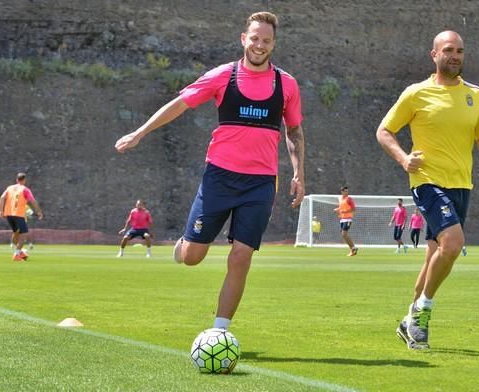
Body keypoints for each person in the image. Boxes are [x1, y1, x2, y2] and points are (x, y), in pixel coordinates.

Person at [115, 11, 305, 333]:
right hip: (219, 178)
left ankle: (219, 331)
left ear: (274, 44)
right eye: (255, 38)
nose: (259, 45)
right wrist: (140, 133)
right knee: (193, 257)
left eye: (266, 41)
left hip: (260, 184)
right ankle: (184, 244)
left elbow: (294, 132)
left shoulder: (286, 84)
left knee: (241, 256)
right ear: (244, 39)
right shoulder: (222, 76)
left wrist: (299, 174)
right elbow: (178, 104)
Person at [376, 30, 479, 349]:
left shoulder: (476, 94)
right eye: (448, 50)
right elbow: (384, 131)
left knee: (435, 252)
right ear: (434, 55)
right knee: (453, 242)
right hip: (427, 182)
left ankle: (409, 320)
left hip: (462, 185)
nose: (455, 55)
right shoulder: (416, 93)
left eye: (460, 50)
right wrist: (405, 159)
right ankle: (422, 314)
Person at [0, 173, 43, 261]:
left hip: (9, 214)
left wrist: (0, 211)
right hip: (18, 214)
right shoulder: (25, 189)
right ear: (24, 180)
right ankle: (16, 254)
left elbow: (2, 198)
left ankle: (21, 252)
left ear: (16, 180)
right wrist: (39, 212)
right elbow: (33, 201)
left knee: (17, 233)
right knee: (24, 234)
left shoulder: (9, 188)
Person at [333, 186, 357, 256]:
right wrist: (337, 210)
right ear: (342, 192)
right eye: (345, 191)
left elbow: (353, 209)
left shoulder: (349, 199)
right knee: (344, 235)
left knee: (344, 234)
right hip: (342, 219)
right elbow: (341, 207)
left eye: (347, 191)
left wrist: (344, 211)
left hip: (348, 219)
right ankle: (353, 248)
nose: (347, 193)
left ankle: (353, 248)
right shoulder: (340, 199)